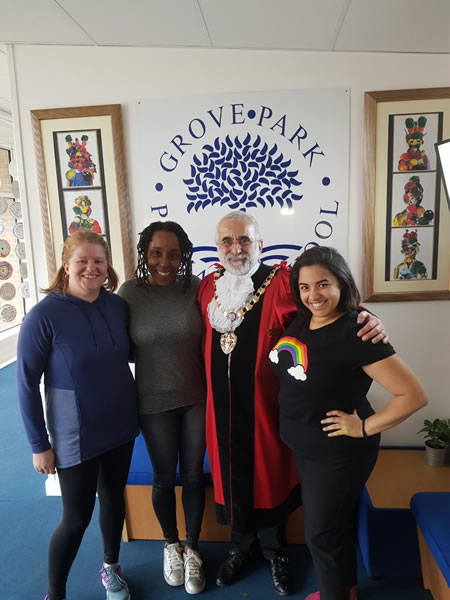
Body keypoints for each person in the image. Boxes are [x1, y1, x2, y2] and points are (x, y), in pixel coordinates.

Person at [197, 211, 388, 596]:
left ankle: (275, 551)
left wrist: (369, 319)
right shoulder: (207, 288)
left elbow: (329, 309)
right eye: (227, 242)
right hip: (220, 409)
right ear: (217, 248)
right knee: (231, 478)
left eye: (245, 240)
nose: (237, 249)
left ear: (260, 244)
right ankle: (241, 546)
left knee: (270, 476)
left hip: (273, 408)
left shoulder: (283, 281)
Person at [269, 246, 427, 600]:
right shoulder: (301, 318)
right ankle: (345, 589)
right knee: (333, 525)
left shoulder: (358, 331)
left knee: (320, 534)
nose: (314, 295)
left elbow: (414, 395)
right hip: (306, 447)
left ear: (342, 283)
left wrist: (364, 427)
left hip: (338, 452)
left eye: (323, 284)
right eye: (305, 287)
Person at [16, 231, 139, 600]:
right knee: (76, 519)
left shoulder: (117, 307)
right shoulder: (44, 316)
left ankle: (111, 567)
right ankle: (55, 593)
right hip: (75, 434)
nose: (91, 268)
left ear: (107, 266)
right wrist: (39, 444)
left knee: (115, 498)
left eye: (98, 261)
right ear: (66, 266)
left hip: (120, 425)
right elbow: (24, 384)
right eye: (82, 261)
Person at [118, 221, 207, 595]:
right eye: (156, 253)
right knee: (162, 477)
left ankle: (193, 549)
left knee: (191, 475)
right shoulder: (128, 294)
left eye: (173, 254)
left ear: (184, 255)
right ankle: (170, 545)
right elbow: (109, 341)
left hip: (196, 399)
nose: (165, 262)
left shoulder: (197, 287)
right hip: (153, 402)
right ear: (145, 254)